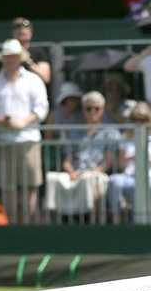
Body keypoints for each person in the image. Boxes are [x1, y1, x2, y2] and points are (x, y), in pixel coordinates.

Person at [0, 39, 49, 224]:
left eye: (14, 57)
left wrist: (22, 122)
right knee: (7, 188)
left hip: (28, 140)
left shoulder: (33, 80)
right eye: (7, 57)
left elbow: (41, 109)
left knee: (30, 186)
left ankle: (28, 225)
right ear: (3, 59)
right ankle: (12, 225)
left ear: (20, 58)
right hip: (3, 141)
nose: (10, 60)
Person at [45, 91, 118, 223]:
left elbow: (108, 162)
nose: (92, 112)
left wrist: (93, 171)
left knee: (89, 180)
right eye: (88, 108)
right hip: (75, 172)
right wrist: (71, 172)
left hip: (97, 173)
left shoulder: (110, 131)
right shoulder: (73, 131)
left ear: (103, 109)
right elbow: (67, 160)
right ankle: (56, 223)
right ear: (83, 110)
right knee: (53, 178)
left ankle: (93, 223)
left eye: (97, 108)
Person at [109, 102, 151, 222]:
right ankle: (116, 219)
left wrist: (148, 159)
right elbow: (121, 164)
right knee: (113, 181)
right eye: (135, 119)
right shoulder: (126, 136)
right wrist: (132, 158)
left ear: (149, 119)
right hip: (129, 175)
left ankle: (139, 221)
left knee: (137, 187)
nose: (139, 123)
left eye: (143, 119)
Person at [11, 17, 51, 85]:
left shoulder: (38, 51)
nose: (21, 30)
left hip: (32, 87)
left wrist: (26, 61)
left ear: (31, 33)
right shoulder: (7, 52)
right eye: (18, 28)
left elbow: (46, 78)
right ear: (13, 33)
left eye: (26, 28)